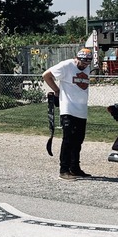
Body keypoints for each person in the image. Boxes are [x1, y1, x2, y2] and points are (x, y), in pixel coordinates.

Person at [42, 48, 93, 180]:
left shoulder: (86, 69)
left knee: (78, 140)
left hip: (81, 110)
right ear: (77, 58)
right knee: (68, 140)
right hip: (68, 109)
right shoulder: (66, 65)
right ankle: (64, 169)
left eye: (87, 64)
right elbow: (46, 75)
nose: (84, 66)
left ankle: (75, 168)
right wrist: (57, 90)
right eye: (82, 63)